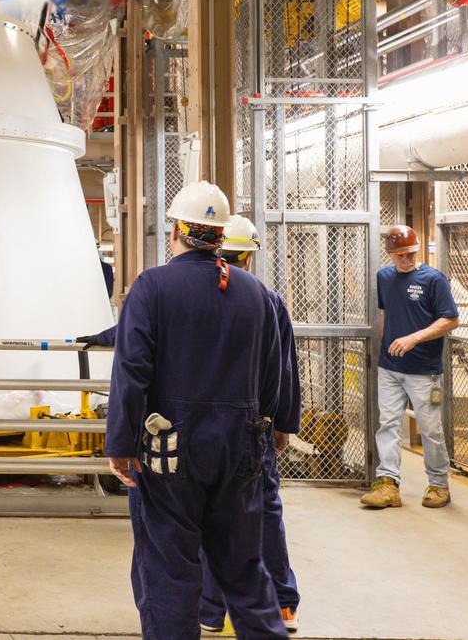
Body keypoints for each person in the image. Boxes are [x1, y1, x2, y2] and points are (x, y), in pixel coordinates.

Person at [107, 181, 293, 639]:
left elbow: (132, 370)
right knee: (244, 567)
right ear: (220, 235)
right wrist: (272, 427)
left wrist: (121, 442)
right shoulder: (256, 293)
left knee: (168, 564)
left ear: (176, 229)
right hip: (240, 448)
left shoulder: (152, 287)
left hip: (168, 451)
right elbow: (273, 372)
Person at [201, 215, 302, 634]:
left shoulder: (194, 296)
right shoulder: (266, 299)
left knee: (205, 513)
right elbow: (284, 368)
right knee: (264, 510)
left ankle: (211, 610)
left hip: (201, 427)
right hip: (253, 425)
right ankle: (282, 604)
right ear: (249, 256)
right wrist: (282, 423)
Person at [361, 225, 459, 510]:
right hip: (390, 367)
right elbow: (385, 314)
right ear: (390, 254)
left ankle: (439, 484)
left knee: (430, 428)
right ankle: (388, 484)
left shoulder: (433, 280)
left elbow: (451, 319)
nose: (407, 259)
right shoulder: (384, 277)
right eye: (401, 255)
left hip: (424, 370)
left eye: (411, 254)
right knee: (388, 424)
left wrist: (414, 338)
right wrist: (385, 344)